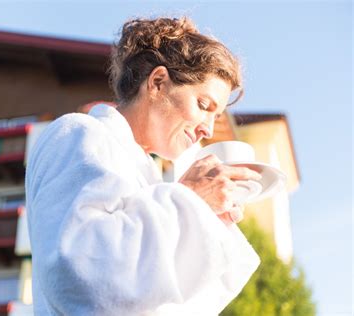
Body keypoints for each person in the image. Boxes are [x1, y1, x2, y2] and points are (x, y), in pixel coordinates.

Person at [26, 16, 261, 316]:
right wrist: (191, 200)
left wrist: (209, 222)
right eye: (204, 106)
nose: (208, 130)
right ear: (158, 83)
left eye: (216, 117)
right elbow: (83, 276)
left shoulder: (149, 180)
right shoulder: (79, 134)